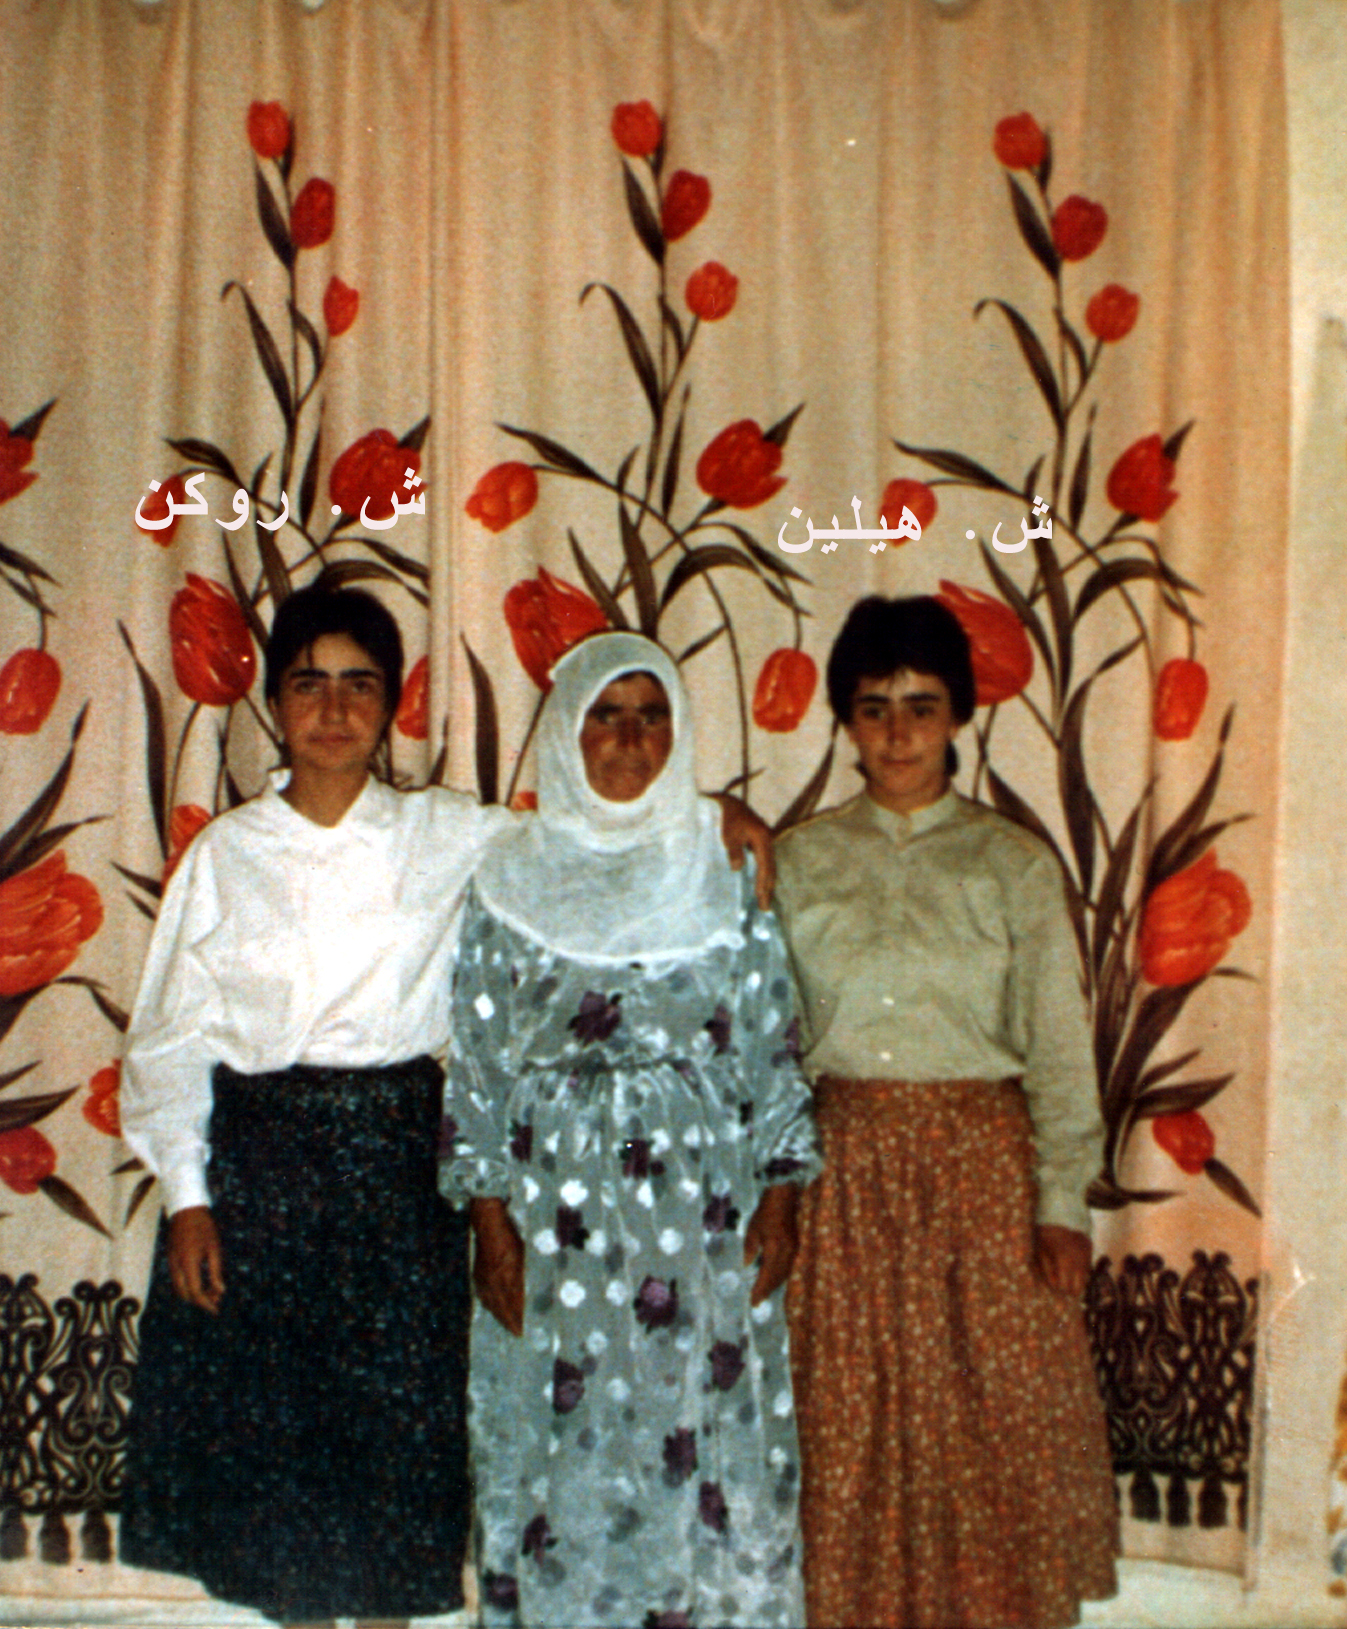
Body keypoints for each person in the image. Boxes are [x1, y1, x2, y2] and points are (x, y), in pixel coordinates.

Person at [119, 585, 776, 1627]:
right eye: (309, 684)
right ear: (273, 703)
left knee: (387, 1458)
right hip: (260, 1170)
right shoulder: (225, 856)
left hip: (395, 1169)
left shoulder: (448, 833)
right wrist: (188, 1197)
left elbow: (591, 821)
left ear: (391, 705)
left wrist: (710, 815)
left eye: (359, 684)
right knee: (280, 1460)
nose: (334, 709)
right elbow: (168, 1037)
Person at [440, 630, 820, 1629]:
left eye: (652, 717)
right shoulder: (506, 874)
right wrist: (490, 1228)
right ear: (566, 729)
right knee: (561, 1443)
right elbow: (476, 1068)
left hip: (703, 1212)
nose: (629, 739)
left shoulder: (725, 862)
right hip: (552, 1217)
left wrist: (784, 1198)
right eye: (605, 715)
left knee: (699, 1435)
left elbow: (771, 1044)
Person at [774, 595, 1118, 1629]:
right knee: (851, 1415)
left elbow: (1057, 1045)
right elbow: (768, 1042)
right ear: (844, 718)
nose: (897, 733)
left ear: (961, 714)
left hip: (980, 1177)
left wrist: (1061, 1202)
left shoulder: (1012, 864)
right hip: (845, 1179)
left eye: (921, 706)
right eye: (873, 707)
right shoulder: (799, 861)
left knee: (988, 1416)